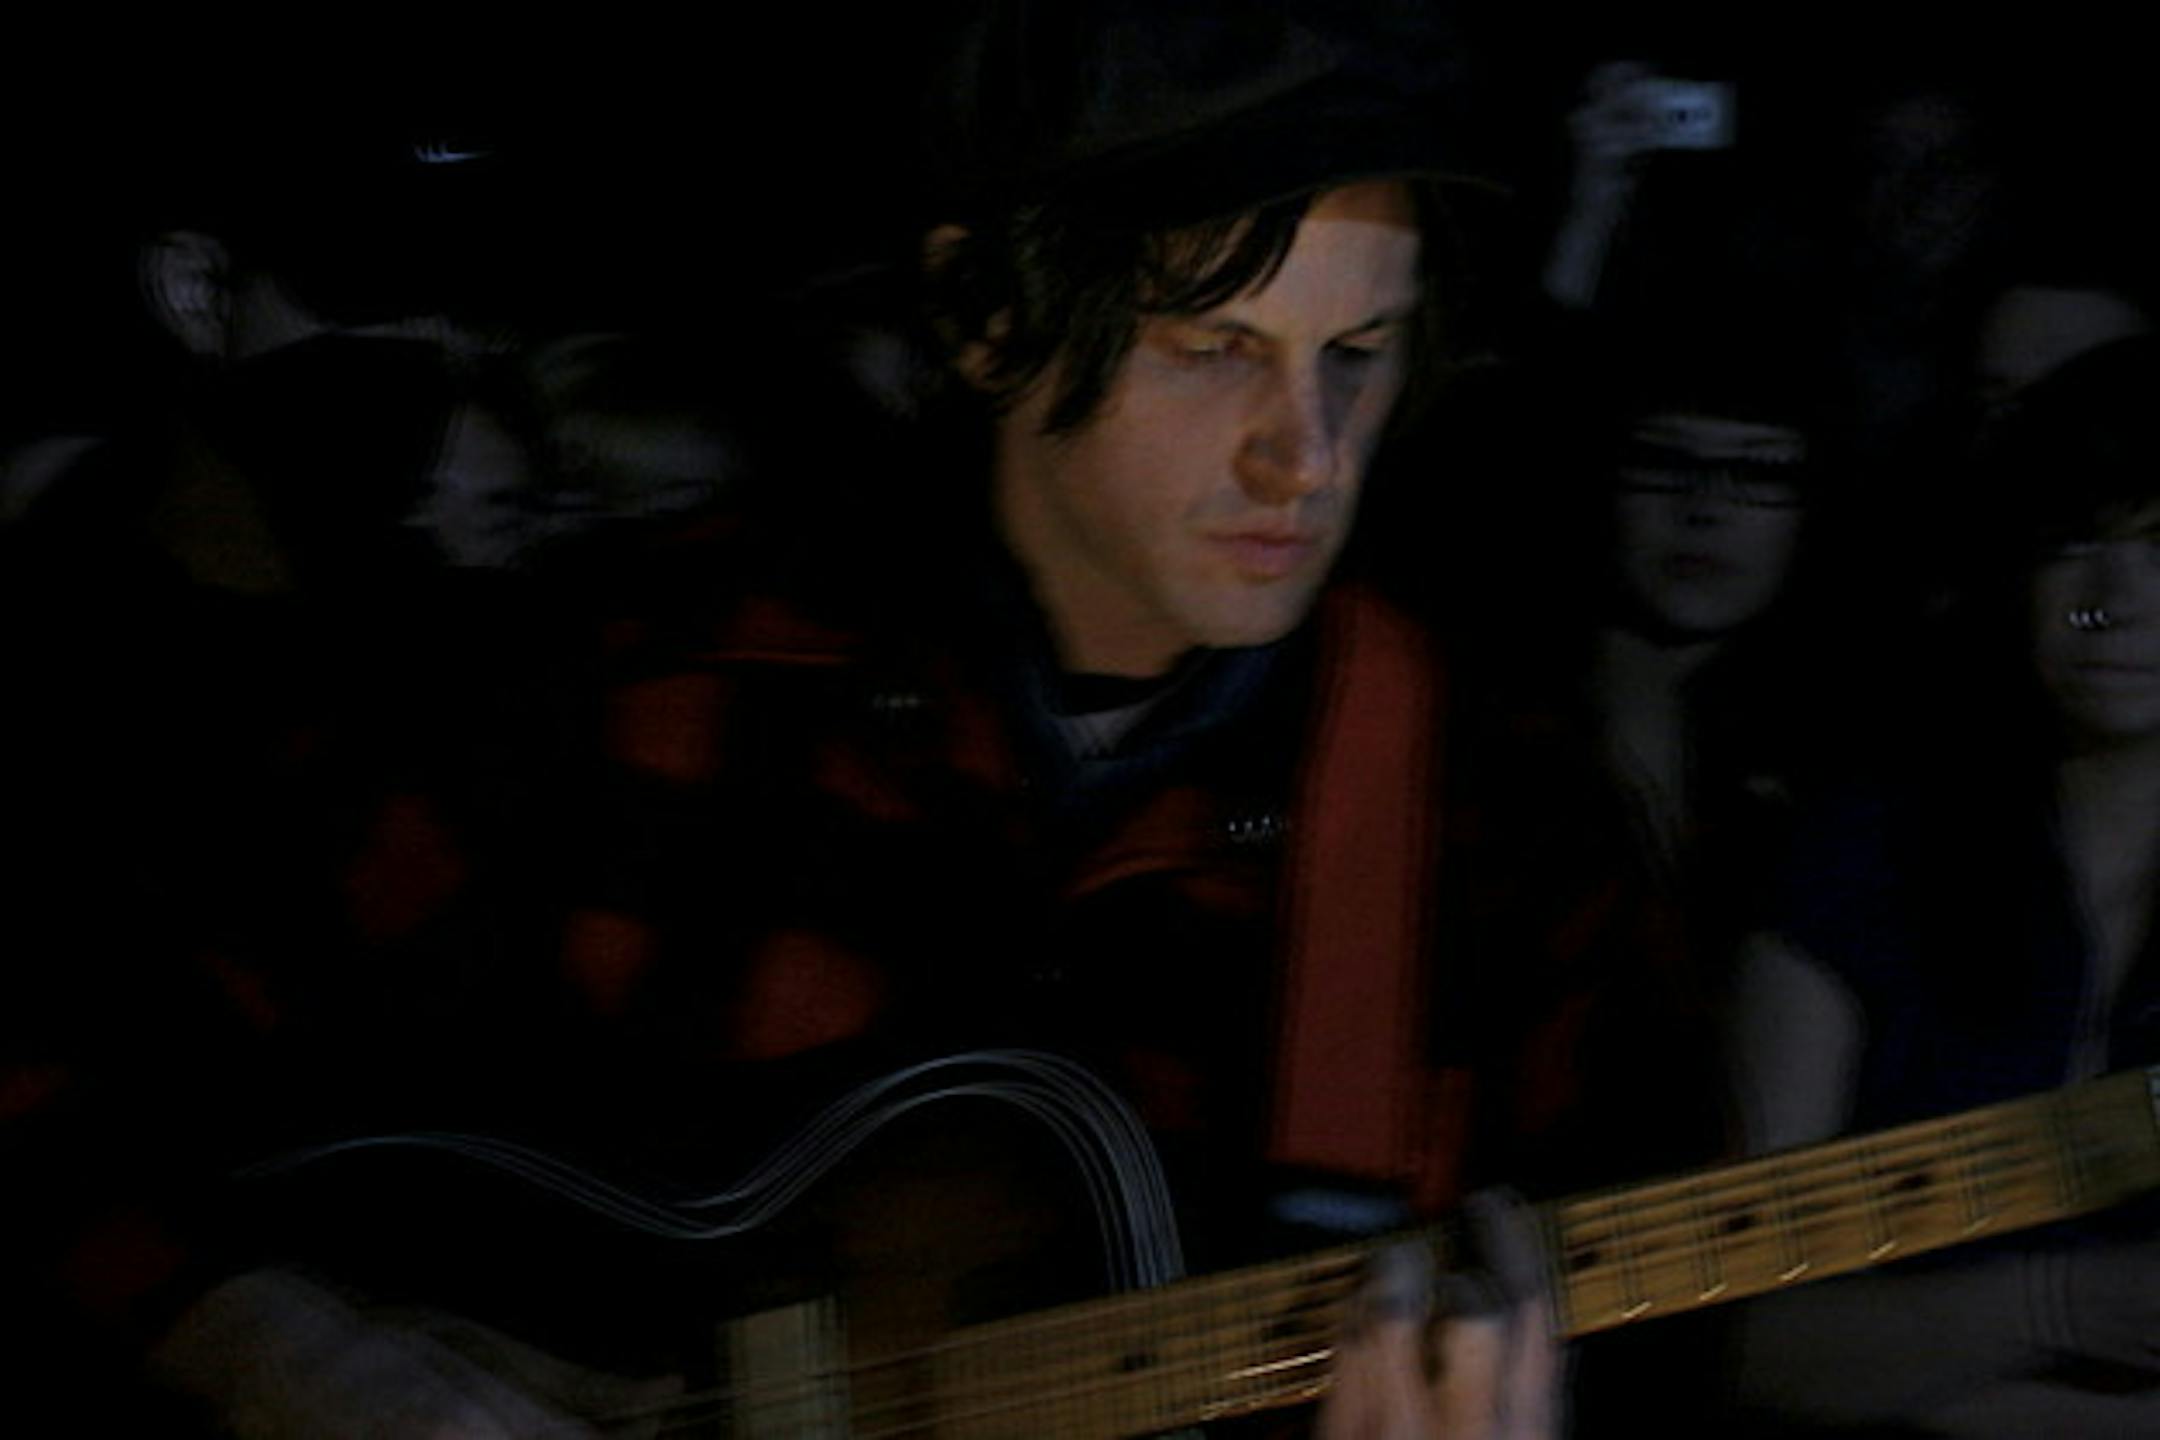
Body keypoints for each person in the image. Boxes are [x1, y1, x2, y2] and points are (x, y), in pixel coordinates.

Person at [26, 6, 1594, 1434]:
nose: (1307, 456)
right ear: (986, 315)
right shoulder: (641, 691)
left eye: (1358, 356)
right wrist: (297, 1362)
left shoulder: (1495, 842)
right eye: (1211, 350)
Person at [1726, 335, 2160, 1434]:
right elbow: (1754, 1333)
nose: (2115, 600)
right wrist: (2057, 1302)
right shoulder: (1865, 857)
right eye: (2073, 546)